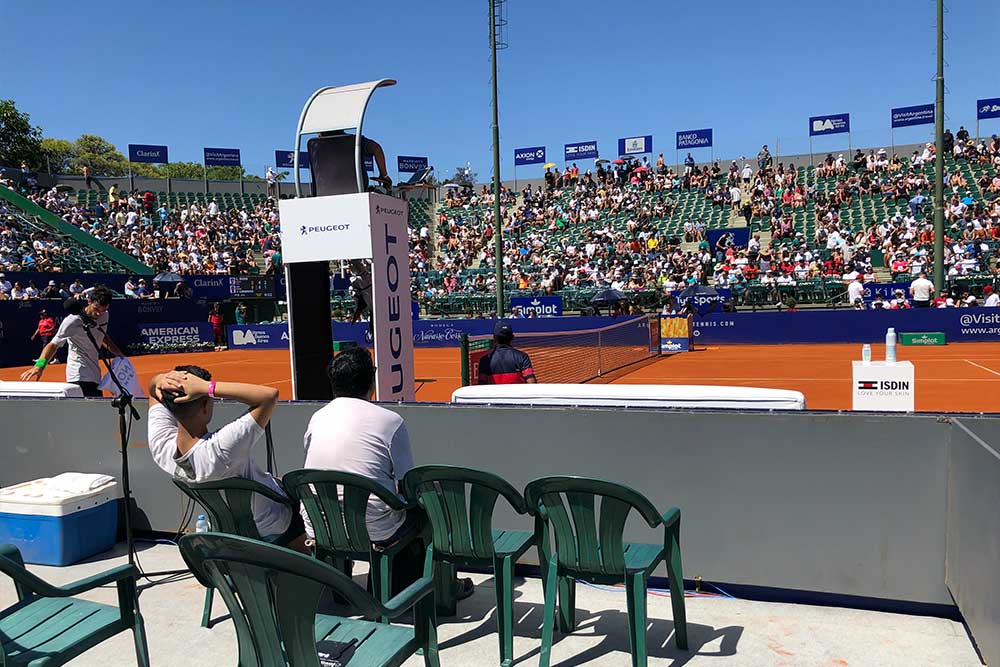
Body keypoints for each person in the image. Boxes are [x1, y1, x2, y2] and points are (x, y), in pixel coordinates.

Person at [302, 348, 473, 598]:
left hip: (320, 528)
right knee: (428, 512)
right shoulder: (390, 421)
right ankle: (443, 591)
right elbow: (407, 486)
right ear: (371, 381)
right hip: (376, 532)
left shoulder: (316, 418)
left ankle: (342, 591)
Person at [147, 366, 307, 551]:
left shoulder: (162, 448)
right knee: (306, 506)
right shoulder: (221, 449)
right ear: (205, 406)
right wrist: (207, 387)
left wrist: (159, 379)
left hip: (224, 529)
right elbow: (268, 396)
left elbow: (153, 393)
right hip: (272, 526)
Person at [19, 286, 124, 397]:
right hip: (78, 375)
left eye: (103, 311)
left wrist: (120, 354)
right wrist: (40, 365)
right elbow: (53, 344)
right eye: (96, 309)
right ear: (89, 301)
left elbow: (102, 337)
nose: (99, 314)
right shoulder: (72, 321)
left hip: (95, 376)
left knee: (93, 412)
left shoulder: (105, 316)